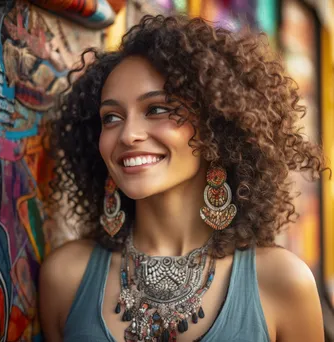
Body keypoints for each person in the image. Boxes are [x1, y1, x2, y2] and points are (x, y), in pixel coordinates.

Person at [39, 15, 325, 342]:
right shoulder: (65, 277)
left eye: (157, 109)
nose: (128, 134)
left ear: (214, 128)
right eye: (112, 117)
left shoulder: (282, 281)